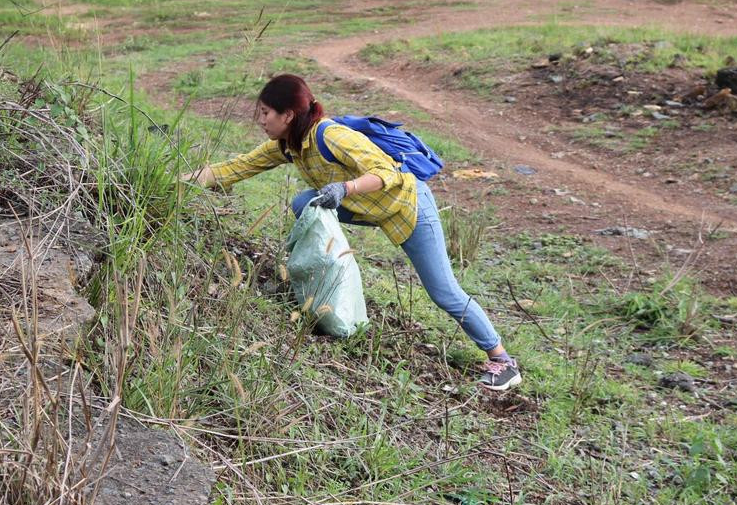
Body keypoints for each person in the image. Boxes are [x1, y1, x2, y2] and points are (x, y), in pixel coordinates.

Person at [183, 74, 521, 391]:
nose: (261, 120)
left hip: (407, 208)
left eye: (266, 112)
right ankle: (323, 283)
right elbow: (238, 166)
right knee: (306, 202)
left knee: (443, 291)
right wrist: (180, 184)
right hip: (365, 206)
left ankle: (503, 361)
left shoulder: (330, 135)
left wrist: (345, 188)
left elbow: (387, 171)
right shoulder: (289, 144)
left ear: (287, 115)